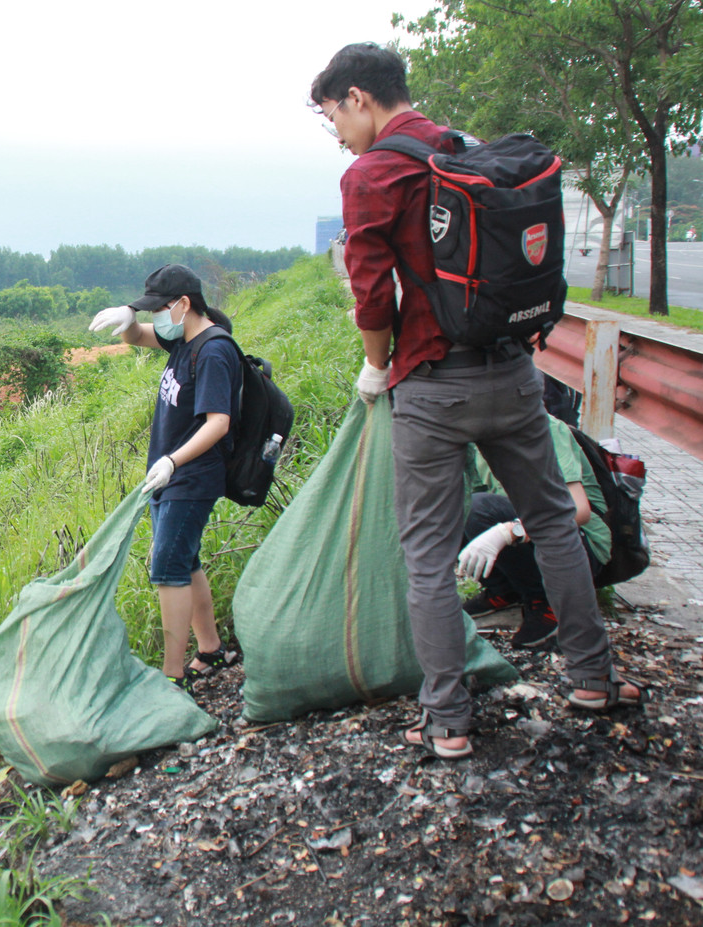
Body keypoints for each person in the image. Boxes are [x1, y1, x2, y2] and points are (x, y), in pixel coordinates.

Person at [310, 43, 644, 759]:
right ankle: (592, 678)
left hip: (432, 384)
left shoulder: (373, 173)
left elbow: (372, 293)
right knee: (554, 520)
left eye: (332, 115)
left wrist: (376, 367)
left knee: (427, 555)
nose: (336, 133)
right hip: (514, 372)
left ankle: (448, 720)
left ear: (359, 98)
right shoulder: (464, 150)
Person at [88, 264, 240, 694]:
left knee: (167, 565)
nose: (156, 317)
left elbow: (219, 422)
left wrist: (173, 461)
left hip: (191, 477)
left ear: (185, 304)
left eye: (160, 308)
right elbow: (137, 337)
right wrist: (128, 318)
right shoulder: (185, 340)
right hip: (169, 476)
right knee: (185, 560)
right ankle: (210, 650)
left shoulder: (212, 351)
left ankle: (173, 676)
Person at [460, 414, 612, 649]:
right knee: (452, 505)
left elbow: (579, 510)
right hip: (523, 529)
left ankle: (546, 599)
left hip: (578, 543)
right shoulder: (477, 433)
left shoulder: (544, 428)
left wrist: (510, 531)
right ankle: (505, 590)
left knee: (480, 509)